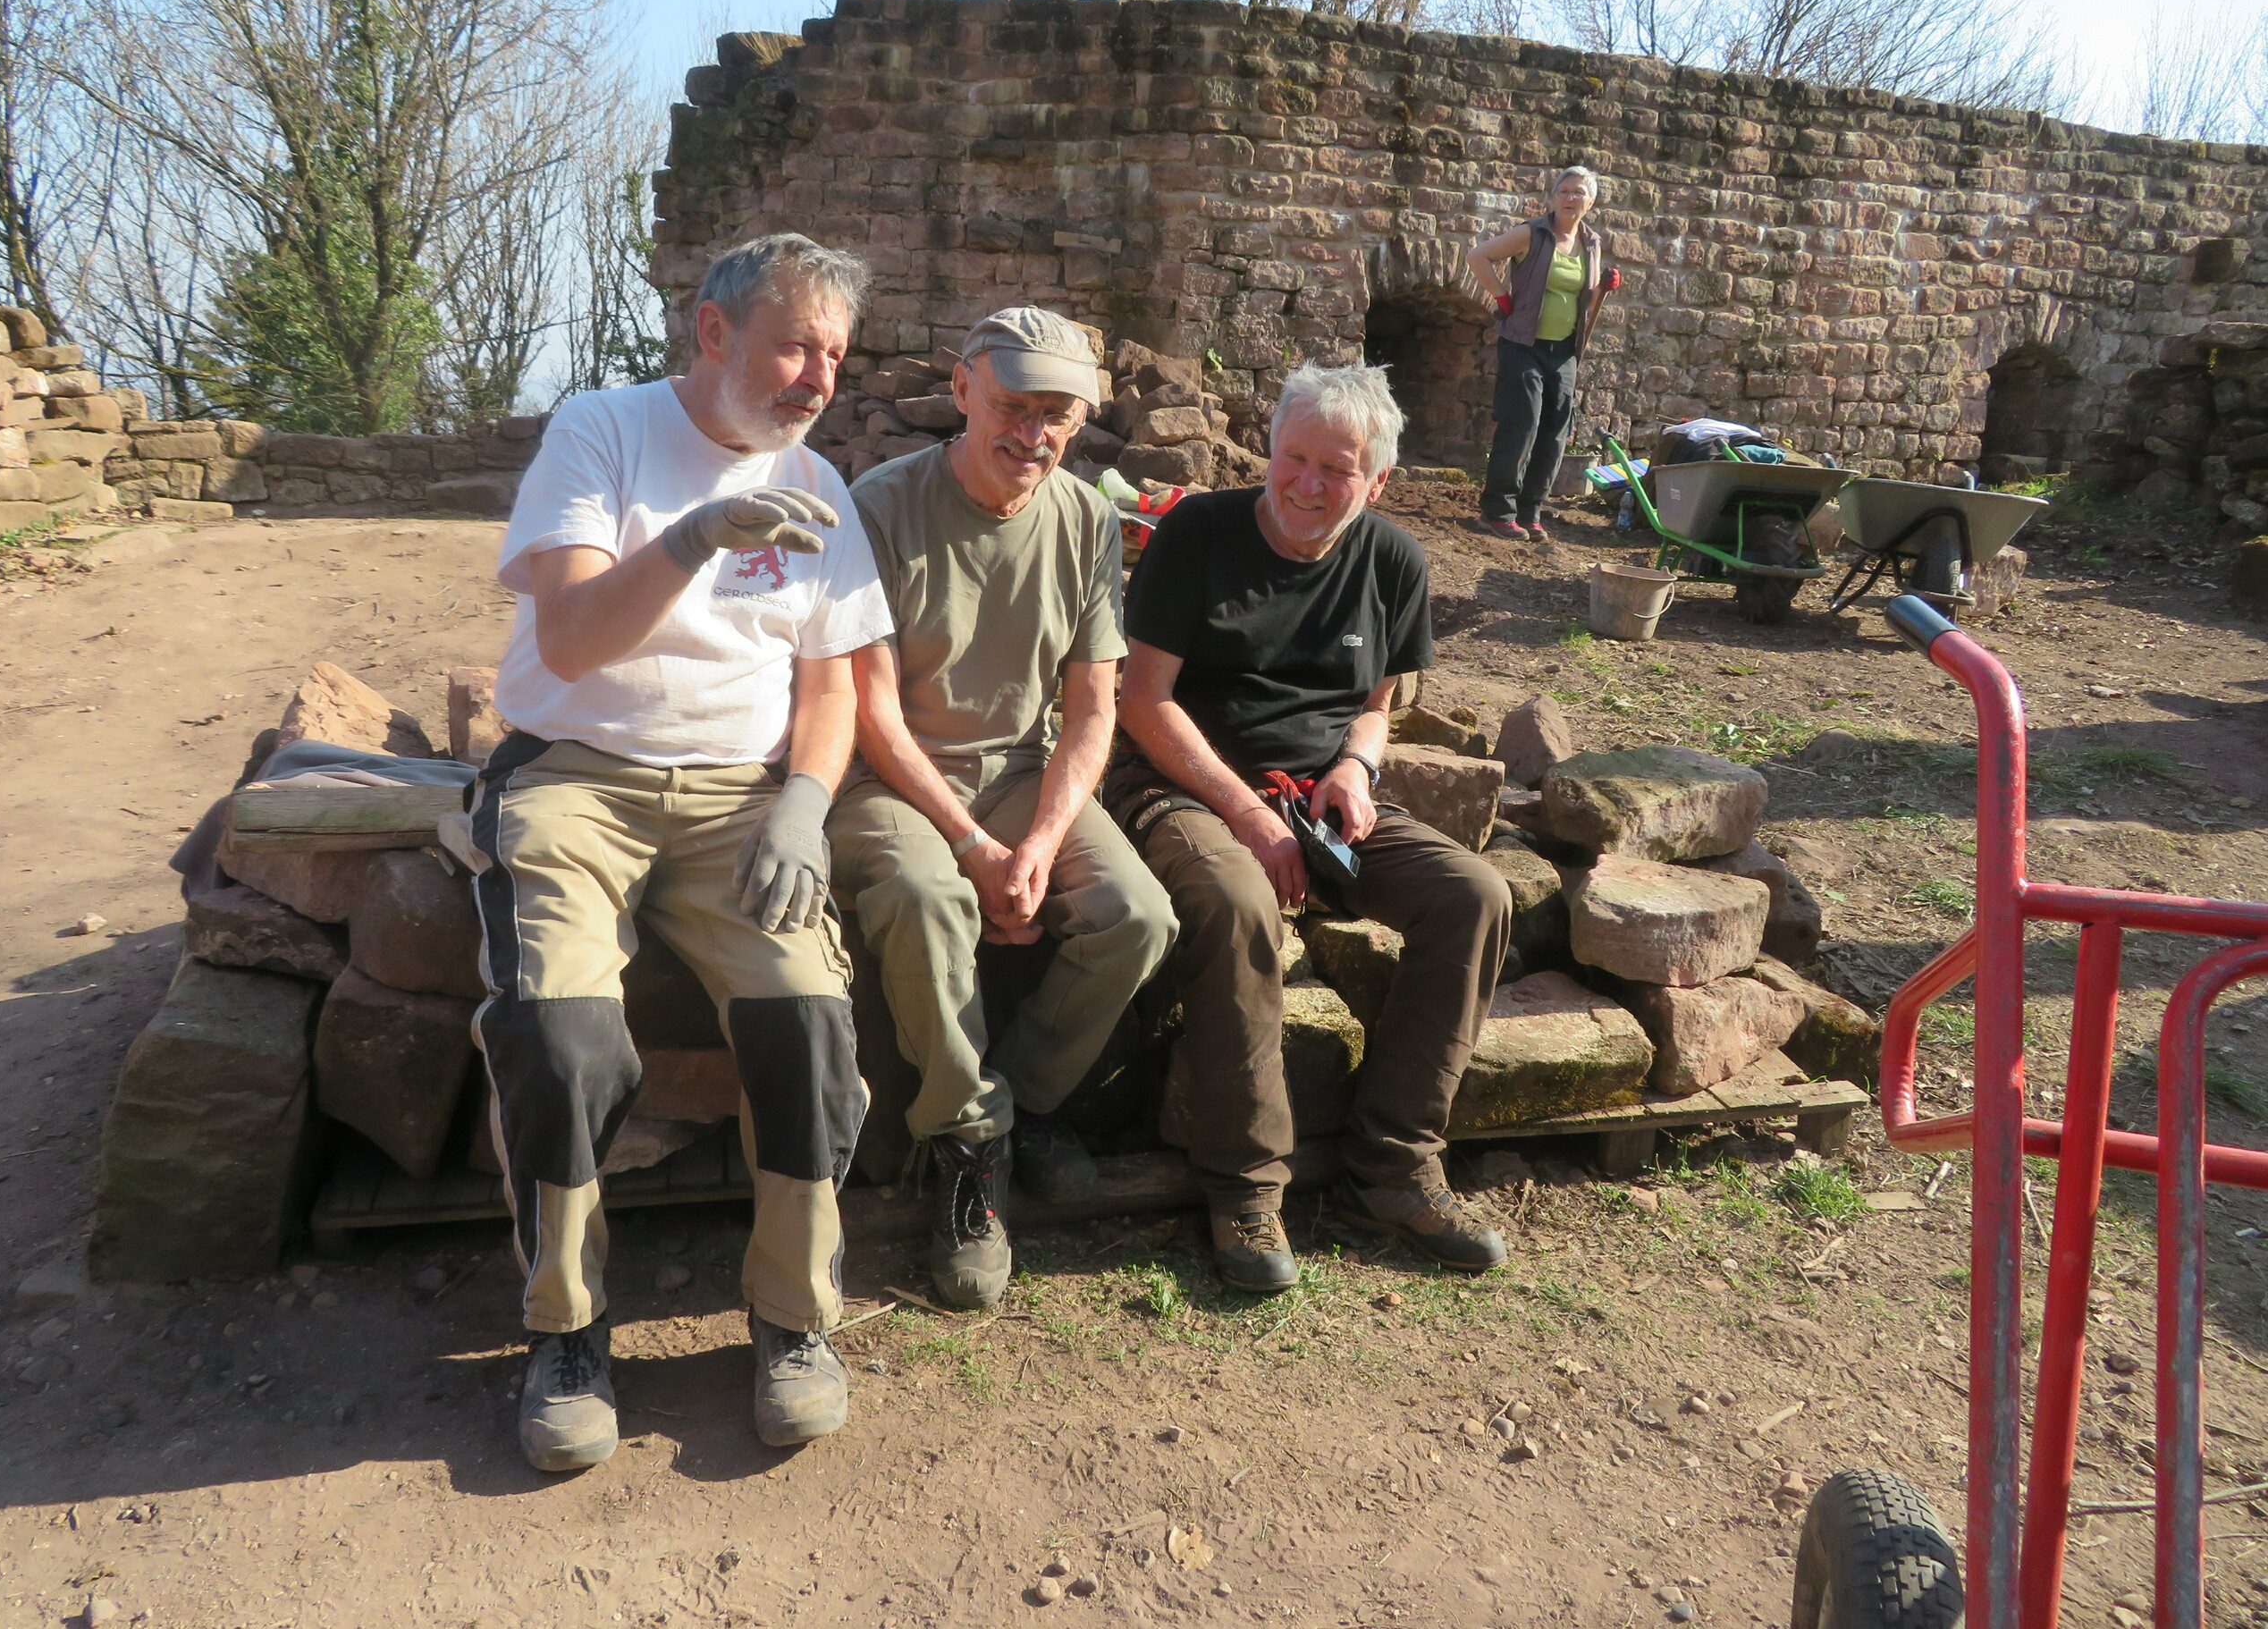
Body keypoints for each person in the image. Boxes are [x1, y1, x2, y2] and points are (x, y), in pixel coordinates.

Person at [470, 232, 895, 1470]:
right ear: (713, 333)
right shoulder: (601, 433)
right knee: (559, 1033)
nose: (818, 378)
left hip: (736, 800)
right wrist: (695, 536)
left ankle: (795, 1319)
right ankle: (567, 1331)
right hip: (573, 776)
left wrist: (805, 800)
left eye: (835, 355)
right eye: (795, 346)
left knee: (808, 1020)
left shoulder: (820, 483)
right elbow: (570, 643)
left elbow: (830, 687)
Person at [1110, 361, 1513, 1292]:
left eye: (1336, 469)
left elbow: (1376, 706)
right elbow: (1144, 702)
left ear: (1377, 482)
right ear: (1268, 451)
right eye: (1293, 458)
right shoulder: (1198, 533)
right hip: (1184, 782)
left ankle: (1395, 1164)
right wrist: (1249, 816)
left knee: (1475, 896)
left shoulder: (1395, 562)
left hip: (1316, 799)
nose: (1306, 484)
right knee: (1236, 900)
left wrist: (1355, 770)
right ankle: (1245, 1187)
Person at [830, 308, 1178, 1311]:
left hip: (1021, 770)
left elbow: (1094, 709)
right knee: (927, 898)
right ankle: (969, 1153)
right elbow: (870, 712)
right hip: (891, 777)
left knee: (1135, 915)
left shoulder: (1085, 520)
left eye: (1057, 414)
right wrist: (973, 845)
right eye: (1014, 407)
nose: (1034, 433)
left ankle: (1004, 1110)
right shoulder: (879, 508)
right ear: (962, 390)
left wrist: (1039, 841)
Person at [1465, 165, 1606, 542]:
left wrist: (1603, 289)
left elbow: (1587, 300)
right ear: (1553, 197)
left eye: (1578, 192)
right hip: (1523, 345)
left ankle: (1530, 513)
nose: (1570, 198)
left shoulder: (1591, 243)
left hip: (1564, 351)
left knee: (1555, 432)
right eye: (1564, 191)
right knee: (1521, 424)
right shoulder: (1532, 233)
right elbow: (1478, 257)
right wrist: (1502, 298)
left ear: (1591, 201)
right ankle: (1498, 512)